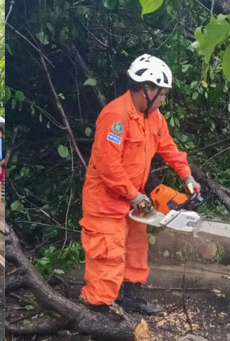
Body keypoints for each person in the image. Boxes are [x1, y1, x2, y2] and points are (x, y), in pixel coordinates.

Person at [79, 54, 200, 317]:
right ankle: (97, 310)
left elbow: (169, 148)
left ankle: (131, 297)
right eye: (163, 93)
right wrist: (133, 195)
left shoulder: (154, 117)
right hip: (106, 198)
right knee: (107, 253)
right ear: (147, 88)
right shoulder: (116, 115)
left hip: (134, 196)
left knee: (136, 246)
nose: (164, 98)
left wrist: (187, 177)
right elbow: (108, 163)